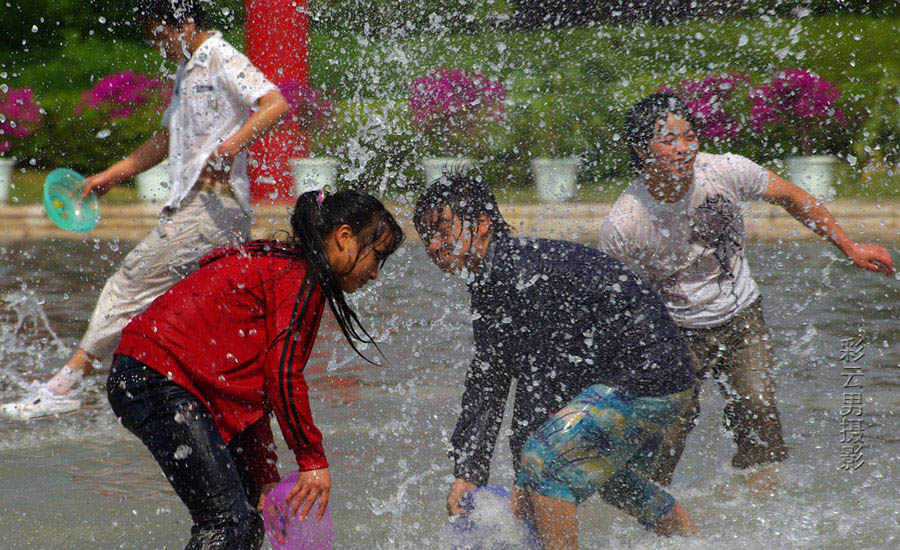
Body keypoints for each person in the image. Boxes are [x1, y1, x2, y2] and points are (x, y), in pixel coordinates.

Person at [1, 0, 289, 419]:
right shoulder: (187, 70)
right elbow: (166, 139)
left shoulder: (221, 57)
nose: (158, 45)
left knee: (128, 284)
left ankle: (64, 384)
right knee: (192, 315)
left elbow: (274, 103)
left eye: (161, 34)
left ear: (186, 24)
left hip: (209, 208)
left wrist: (228, 148)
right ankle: (211, 405)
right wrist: (111, 176)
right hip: (201, 210)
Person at [598, 92, 894, 488]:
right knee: (666, 430)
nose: (684, 149)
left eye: (689, 136)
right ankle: (647, 510)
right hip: (673, 331)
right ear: (641, 149)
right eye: (669, 141)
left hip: (742, 316)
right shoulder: (626, 221)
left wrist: (849, 246)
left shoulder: (723, 171)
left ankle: (759, 509)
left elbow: (792, 195)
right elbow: (608, 301)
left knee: (758, 410)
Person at [414, 174, 702, 549]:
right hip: (663, 376)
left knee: (544, 461)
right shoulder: (493, 278)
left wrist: (524, 478)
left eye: (442, 230)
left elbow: (543, 381)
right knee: (612, 481)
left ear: (482, 224)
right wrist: (468, 472)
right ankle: (696, 541)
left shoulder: (519, 274)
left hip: (649, 376)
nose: (434, 245)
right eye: (426, 236)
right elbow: (488, 378)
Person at [106, 190, 404, 549]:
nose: (375, 273)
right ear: (343, 238)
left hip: (154, 376)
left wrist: (265, 478)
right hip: (155, 376)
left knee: (248, 520)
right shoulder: (296, 279)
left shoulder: (289, 271)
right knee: (226, 522)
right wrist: (311, 461)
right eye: (377, 257)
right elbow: (282, 376)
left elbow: (251, 391)